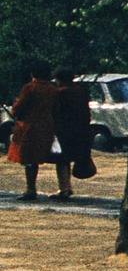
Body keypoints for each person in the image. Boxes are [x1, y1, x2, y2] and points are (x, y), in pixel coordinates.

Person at [7, 60, 59, 201]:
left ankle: (31, 188)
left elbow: (19, 108)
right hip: (47, 125)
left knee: (29, 157)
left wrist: (13, 108)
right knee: (37, 156)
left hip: (29, 126)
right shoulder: (53, 88)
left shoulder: (30, 88)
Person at [51, 69, 94, 201]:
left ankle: (64, 188)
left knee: (62, 159)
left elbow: (57, 110)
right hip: (82, 128)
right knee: (76, 155)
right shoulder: (81, 90)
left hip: (66, 128)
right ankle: (67, 187)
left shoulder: (61, 92)